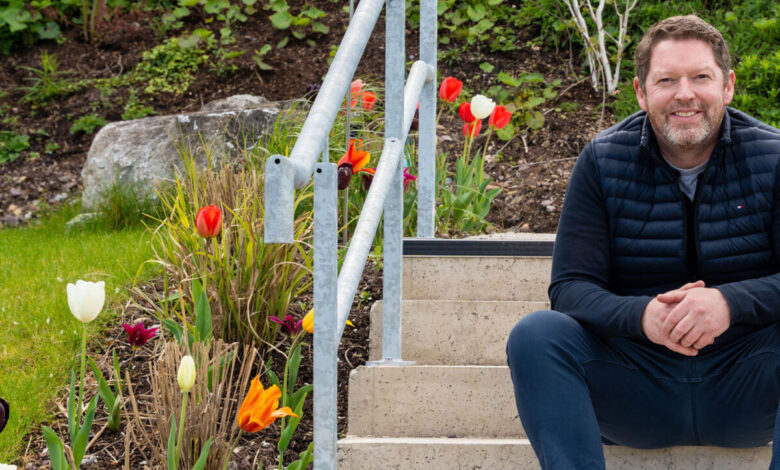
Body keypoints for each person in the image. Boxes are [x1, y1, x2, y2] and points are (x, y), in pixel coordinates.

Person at [506, 14, 780, 469]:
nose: (684, 94)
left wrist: (728, 303)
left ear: (728, 86)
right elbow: (570, 287)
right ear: (641, 91)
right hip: (636, 384)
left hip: (747, 384)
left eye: (700, 77)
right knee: (536, 335)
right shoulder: (601, 160)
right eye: (667, 80)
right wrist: (644, 316)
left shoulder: (773, 157)